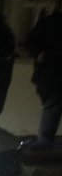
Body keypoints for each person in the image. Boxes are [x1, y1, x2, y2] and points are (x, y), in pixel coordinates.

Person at [23, 8, 62, 148]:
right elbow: (30, 43)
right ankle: (44, 141)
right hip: (52, 73)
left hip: (51, 74)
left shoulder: (51, 22)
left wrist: (40, 55)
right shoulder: (51, 22)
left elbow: (30, 42)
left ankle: (44, 141)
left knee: (52, 105)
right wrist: (40, 54)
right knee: (52, 104)